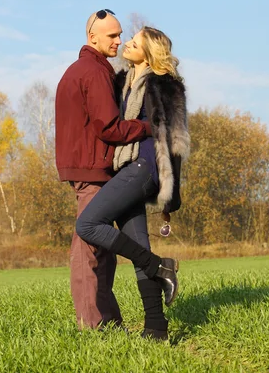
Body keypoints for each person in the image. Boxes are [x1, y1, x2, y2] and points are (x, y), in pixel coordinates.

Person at [75, 26, 190, 340]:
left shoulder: (164, 84)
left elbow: (175, 143)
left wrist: (171, 198)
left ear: (149, 52)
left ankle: (159, 265)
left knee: (87, 224)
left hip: (144, 167)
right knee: (138, 245)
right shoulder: (123, 80)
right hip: (127, 168)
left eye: (134, 42)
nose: (126, 43)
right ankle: (157, 328)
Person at [55, 9, 153, 330]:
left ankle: (109, 322)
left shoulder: (81, 69)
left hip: (85, 168)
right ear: (92, 37)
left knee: (103, 251)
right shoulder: (94, 72)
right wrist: (147, 127)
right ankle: (93, 326)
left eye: (120, 34)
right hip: (92, 171)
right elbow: (110, 128)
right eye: (112, 36)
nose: (119, 41)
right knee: (88, 250)